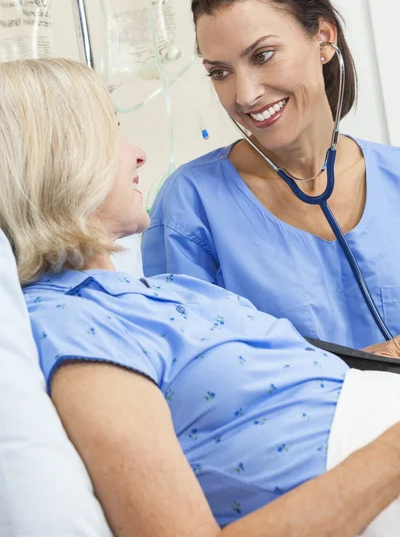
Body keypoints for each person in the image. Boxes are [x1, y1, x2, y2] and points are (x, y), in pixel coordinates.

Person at [3, 58, 400, 537]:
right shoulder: (74, 322)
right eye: (112, 132)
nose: (139, 154)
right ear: (61, 159)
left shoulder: (165, 292)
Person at [141, 0, 400, 355]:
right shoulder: (191, 205)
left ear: (324, 40)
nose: (244, 95)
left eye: (262, 56)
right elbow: (193, 370)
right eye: (220, 72)